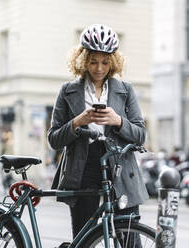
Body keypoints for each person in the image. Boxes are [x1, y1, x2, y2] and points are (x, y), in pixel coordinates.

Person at [47, 24, 148, 241]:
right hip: (83, 169)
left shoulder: (125, 89)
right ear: (83, 60)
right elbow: (54, 139)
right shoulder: (67, 91)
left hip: (119, 167)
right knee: (84, 238)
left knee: (129, 237)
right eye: (93, 61)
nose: (99, 68)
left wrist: (118, 121)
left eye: (104, 62)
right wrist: (77, 122)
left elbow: (140, 134)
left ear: (112, 62)